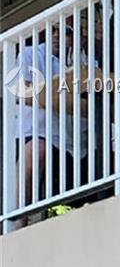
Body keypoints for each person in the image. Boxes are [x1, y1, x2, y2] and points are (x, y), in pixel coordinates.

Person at [8, 23, 92, 210]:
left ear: (80, 39)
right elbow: (23, 92)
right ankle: (15, 219)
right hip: (34, 133)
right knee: (37, 148)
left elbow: (93, 106)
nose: (56, 35)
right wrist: (61, 96)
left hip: (74, 144)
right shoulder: (31, 54)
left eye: (66, 32)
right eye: (53, 30)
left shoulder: (88, 64)